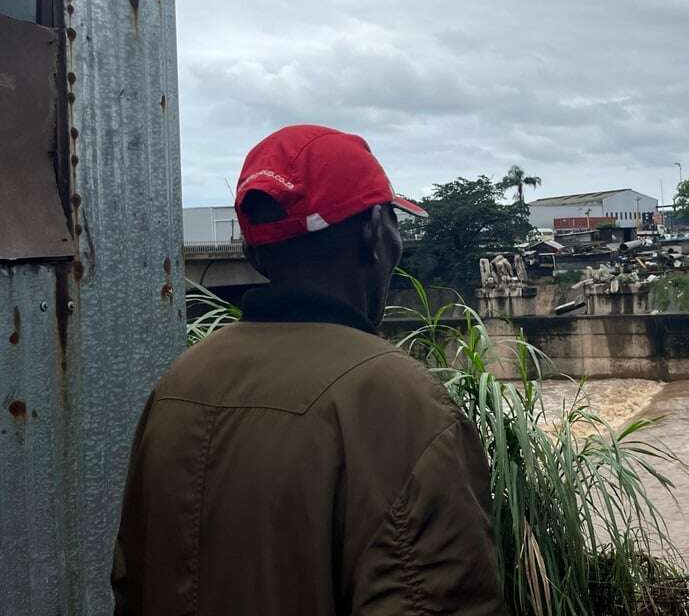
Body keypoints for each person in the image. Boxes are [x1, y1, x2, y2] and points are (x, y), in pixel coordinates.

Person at [111, 125, 506, 615]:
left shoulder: (179, 385)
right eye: (392, 223)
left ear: (254, 253)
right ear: (374, 233)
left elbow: (131, 582)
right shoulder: (402, 403)